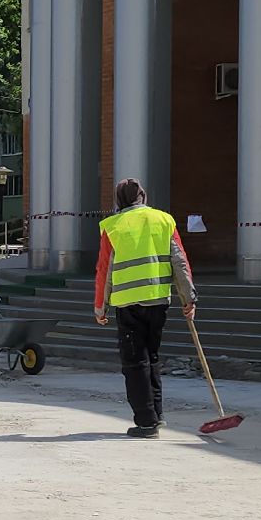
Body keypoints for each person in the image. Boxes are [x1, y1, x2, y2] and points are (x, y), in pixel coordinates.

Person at [94, 178, 197, 438]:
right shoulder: (164, 220)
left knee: (135, 363)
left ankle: (146, 422)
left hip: (128, 304)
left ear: (119, 199)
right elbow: (180, 262)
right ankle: (157, 414)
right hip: (158, 301)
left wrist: (100, 306)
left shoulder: (112, 226)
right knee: (151, 358)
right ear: (143, 196)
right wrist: (188, 299)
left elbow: (104, 270)